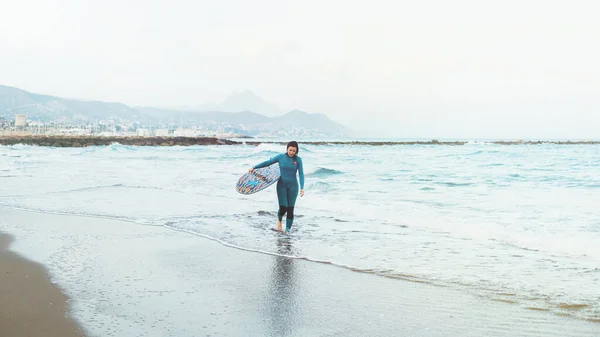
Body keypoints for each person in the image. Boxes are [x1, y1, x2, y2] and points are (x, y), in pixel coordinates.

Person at [250, 141, 305, 234]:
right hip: (282, 186)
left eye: (294, 151)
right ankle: (279, 220)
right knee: (283, 208)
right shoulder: (280, 157)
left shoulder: (298, 160)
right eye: (290, 150)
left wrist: (302, 187)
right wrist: (254, 167)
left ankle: (287, 231)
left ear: (296, 151)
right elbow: (268, 162)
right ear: (287, 149)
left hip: (293, 187)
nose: (291, 152)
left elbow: (301, 174)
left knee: (290, 209)